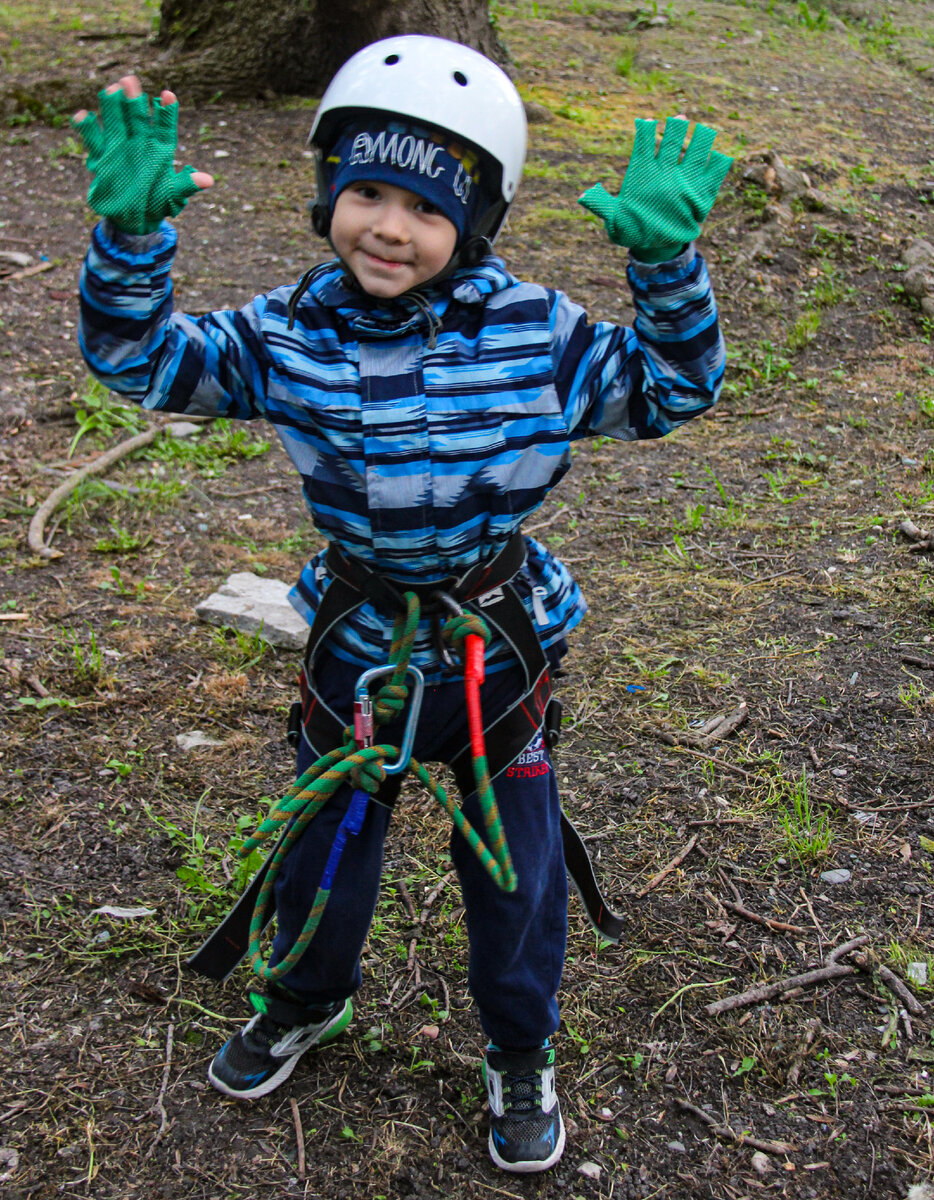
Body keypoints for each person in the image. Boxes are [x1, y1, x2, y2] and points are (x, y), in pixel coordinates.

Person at [72, 35, 732, 1175]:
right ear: (330, 192)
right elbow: (142, 363)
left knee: (514, 867)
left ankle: (520, 1046)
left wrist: (669, 270)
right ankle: (303, 998)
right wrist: (131, 242)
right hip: (358, 645)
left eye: (425, 208)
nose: (388, 226)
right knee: (327, 833)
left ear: (473, 223)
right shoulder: (289, 333)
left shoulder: (538, 334)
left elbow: (669, 391)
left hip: (496, 650)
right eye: (365, 192)